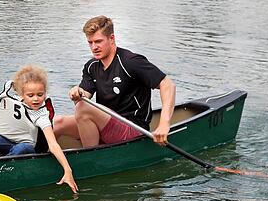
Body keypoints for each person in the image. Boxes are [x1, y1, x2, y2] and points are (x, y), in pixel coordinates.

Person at [53, 16, 177, 148]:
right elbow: (84, 95)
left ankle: (92, 161)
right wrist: (77, 92)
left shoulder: (130, 62)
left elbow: (167, 84)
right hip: (107, 125)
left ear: (111, 38)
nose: (94, 47)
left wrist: (164, 123)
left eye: (98, 41)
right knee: (57, 122)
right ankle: (40, 155)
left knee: (83, 109)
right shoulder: (91, 66)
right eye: (90, 42)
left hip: (133, 129)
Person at [0, 65, 78, 193]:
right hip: (5, 139)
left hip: (26, 146)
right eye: (31, 95)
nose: (36, 99)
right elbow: (5, 104)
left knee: (22, 148)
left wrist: (67, 170)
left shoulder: (41, 115)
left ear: (45, 93)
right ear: (22, 95)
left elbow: (53, 144)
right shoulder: (17, 96)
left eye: (40, 95)